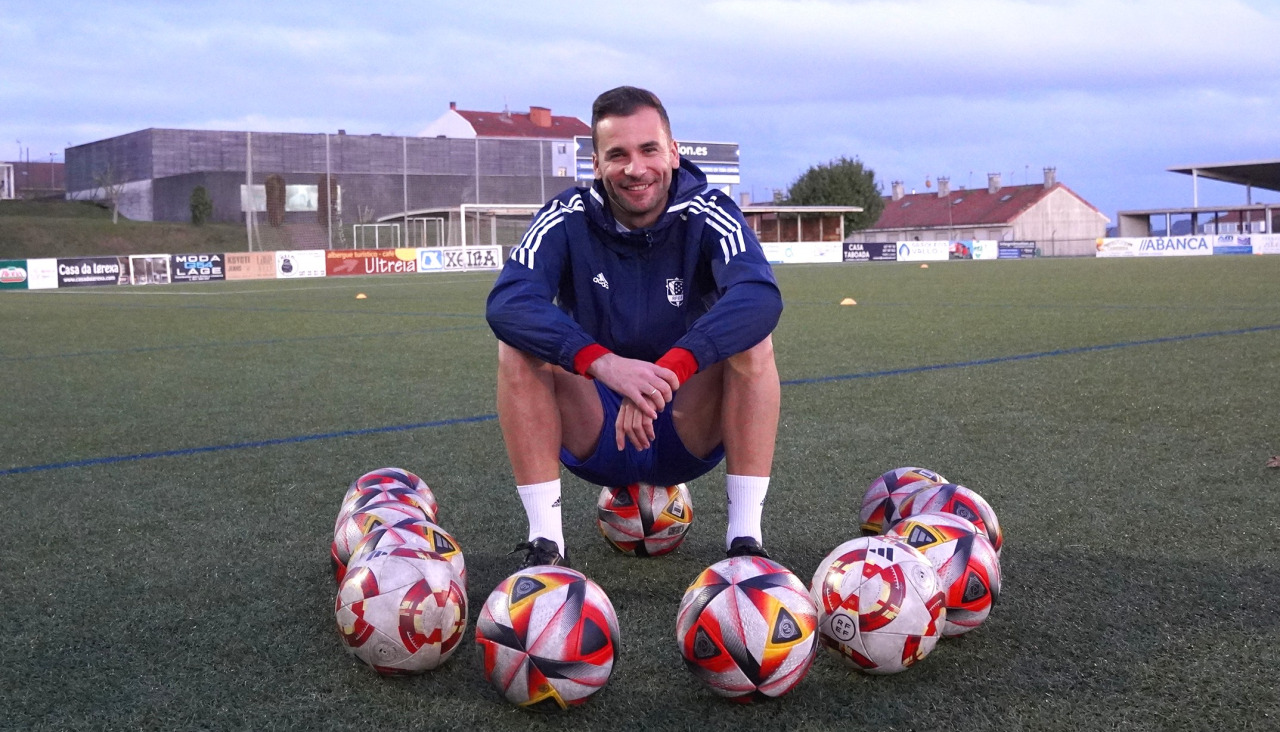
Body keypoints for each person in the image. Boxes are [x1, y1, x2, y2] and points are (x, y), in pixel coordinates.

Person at [485, 86, 783, 569]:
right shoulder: (566, 216)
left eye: (649, 150)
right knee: (517, 349)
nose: (636, 168)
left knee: (754, 343)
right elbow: (508, 302)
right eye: (617, 155)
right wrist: (605, 366)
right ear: (598, 165)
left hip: (687, 425)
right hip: (599, 428)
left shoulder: (711, 212)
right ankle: (545, 543)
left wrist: (667, 372)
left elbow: (759, 296)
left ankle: (746, 541)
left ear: (673, 152)